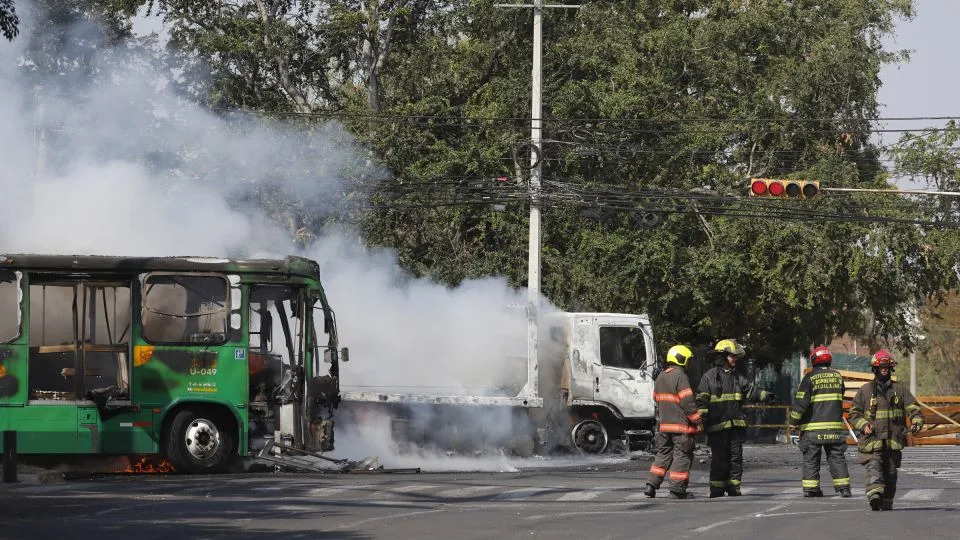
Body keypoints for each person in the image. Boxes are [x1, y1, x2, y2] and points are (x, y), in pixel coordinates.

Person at [696, 339, 776, 498]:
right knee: (719, 460)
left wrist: (766, 396)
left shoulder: (738, 377)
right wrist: (701, 422)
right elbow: (701, 402)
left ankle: (734, 487)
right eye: (732, 356)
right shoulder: (709, 377)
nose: (735, 359)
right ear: (723, 356)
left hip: (736, 428)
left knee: (735, 459)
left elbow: (751, 392)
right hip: (717, 427)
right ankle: (717, 488)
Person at [848, 349, 924, 511]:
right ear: (875, 369)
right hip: (872, 441)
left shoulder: (900, 390)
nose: (884, 370)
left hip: (893, 442)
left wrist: (917, 423)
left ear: (890, 369)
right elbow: (854, 413)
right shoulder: (865, 390)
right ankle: (875, 496)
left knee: (890, 474)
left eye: (886, 368)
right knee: (873, 468)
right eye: (881, 367)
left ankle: (887, 500)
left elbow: (914, 409)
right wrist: (863, 424)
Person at [789, 346, 851, 497]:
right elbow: (841, 394)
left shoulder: (809, 378)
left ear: (813, 360)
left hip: (813, 429)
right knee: (837, 458)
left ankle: (811, 489)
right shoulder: (837, 376)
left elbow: (801, 403)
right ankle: (844, 489)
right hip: (834, 429)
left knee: (811, 459)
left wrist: (793, 422)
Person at [644, 345, 703, 499]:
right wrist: (698, 421)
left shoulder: (661, 376)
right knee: (682, 456)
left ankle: (651, 485)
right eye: (688, 360)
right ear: (681, 359)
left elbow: (656, 398)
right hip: (681, 427)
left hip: (664, 426)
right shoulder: (680, 376)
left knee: (663, 454)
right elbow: (688, 402)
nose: (689, 364)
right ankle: (677, 490)